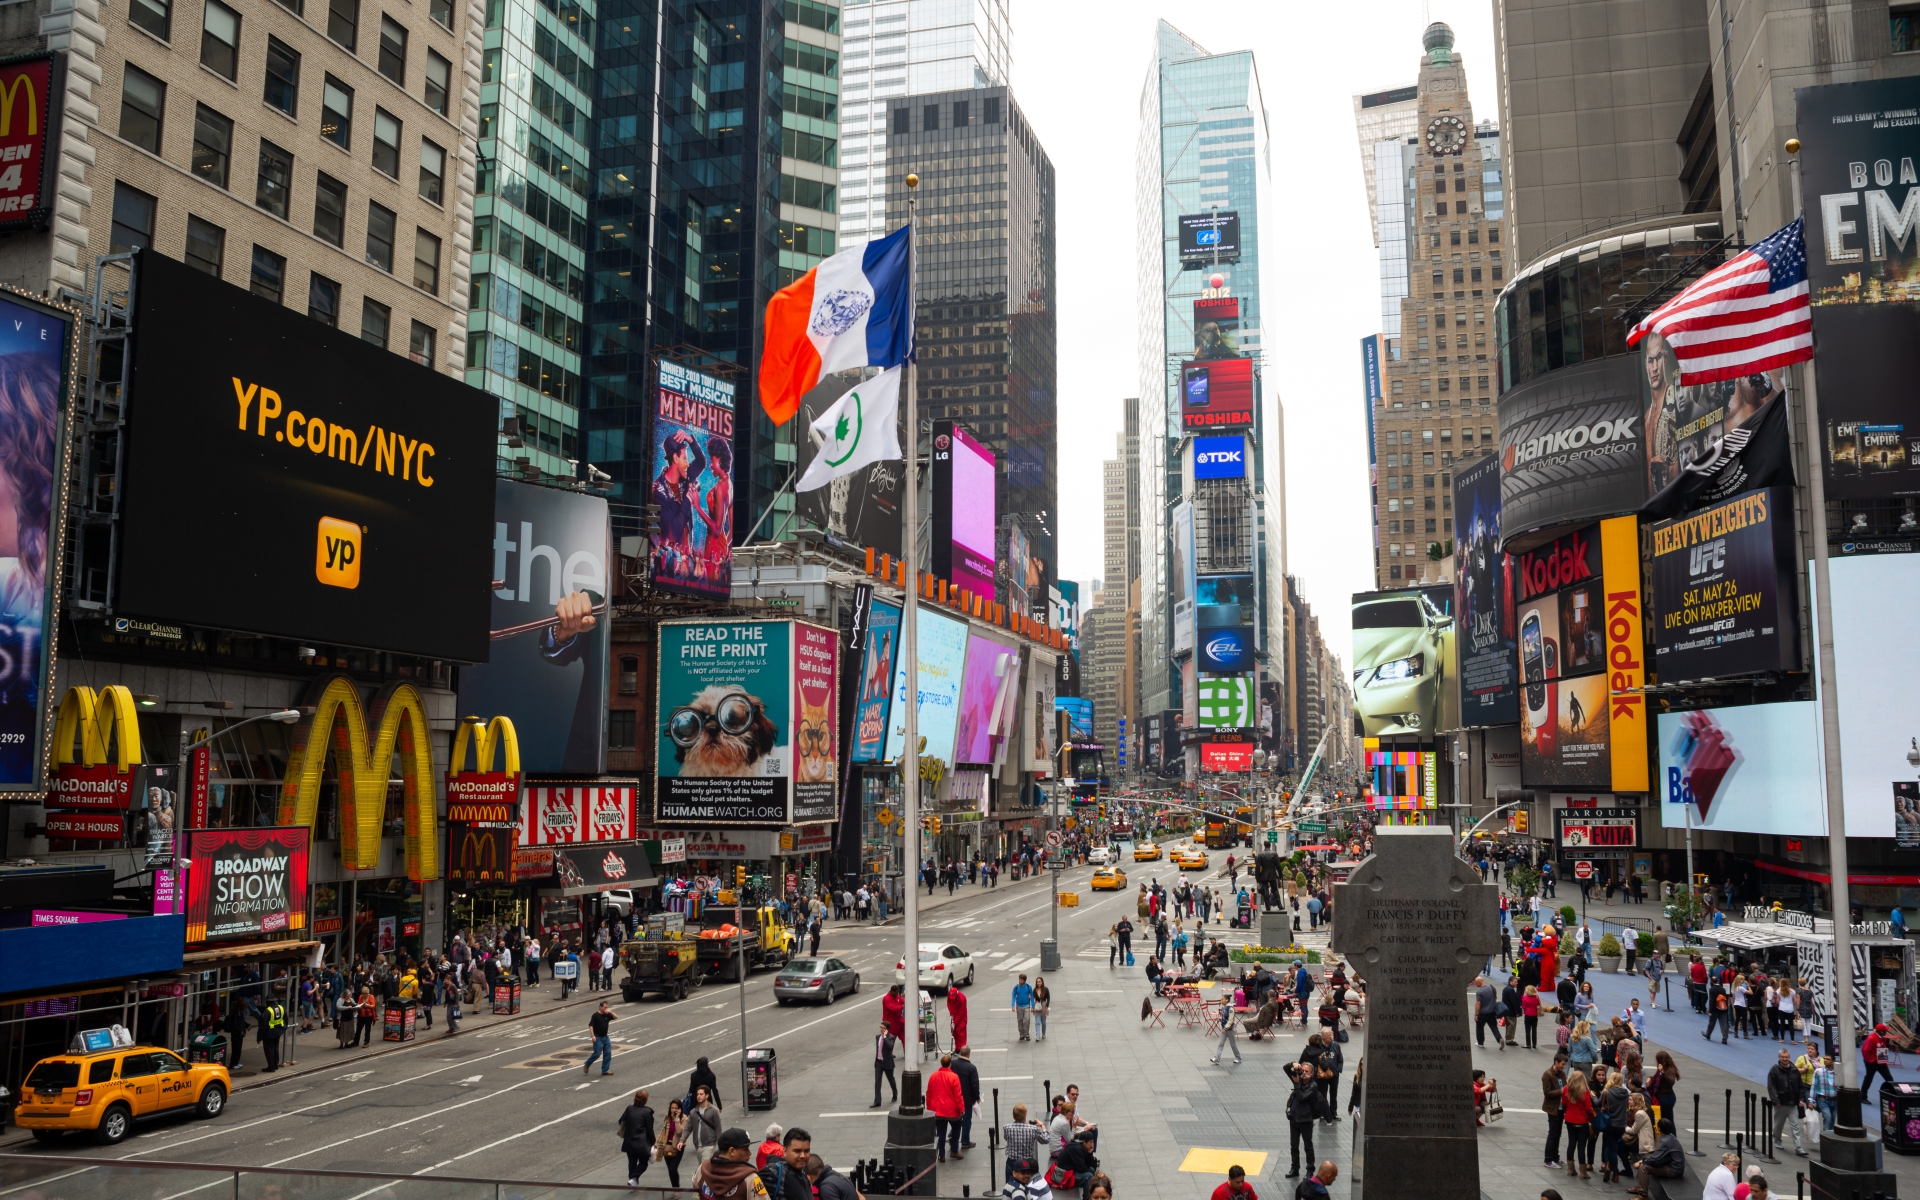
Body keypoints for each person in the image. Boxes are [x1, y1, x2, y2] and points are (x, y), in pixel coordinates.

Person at [694, 1128, 769, 1200]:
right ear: (732, 1151)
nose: (749, 1153)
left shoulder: (703, 1169)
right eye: (745, 1149)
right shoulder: (750, 1178)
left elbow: (695, 1186)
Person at [1766, 1048, 1807, 1156]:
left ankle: (1798, 1147)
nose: (1785, 1059)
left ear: (1789, 1057)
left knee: (1796, 1126)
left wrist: (1801, 1099)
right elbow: (1771, 1086)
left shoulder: (1794, 1070)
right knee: (1779, 1125)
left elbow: (1800, 1086)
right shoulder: (1774, 1070)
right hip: (1781, 1103)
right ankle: (1777, 1140)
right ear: (1779, 1057)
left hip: (1793, 1103)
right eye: (1783, 1057)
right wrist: (1775, 1100)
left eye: (1787, 1057)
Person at [927, 1054, 966, 1162]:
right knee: (956, 1128)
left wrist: (929, 1108)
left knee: (940, 1132)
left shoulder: (933, 1076)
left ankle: (941, 1154)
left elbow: (929, 1094)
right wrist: (961, 1109)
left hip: (937, 1109)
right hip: (952, 1110)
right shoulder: (954, 1077)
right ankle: (954, 1150)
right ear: (950, 1064)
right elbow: (958, 1095)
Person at [1635, 1118, 1687, 1197]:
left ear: (1659, 1128)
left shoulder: (1665, 1141)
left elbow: (1655, 1158)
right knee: (1646, 1163)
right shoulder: (1670, 1136)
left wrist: (1642, 1161)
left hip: (1674, 1170)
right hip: (1673, 1165)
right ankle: (1639, 1187)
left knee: (1644, 1167)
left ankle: (1642, 1194)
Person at [1284, 1061, 1319, 1178]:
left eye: (1306, 1071)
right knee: (1294, 1145)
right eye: (1302, 1071)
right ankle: (1295, 1168)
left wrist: (1297, 1084)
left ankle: (1310, 1170)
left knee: (1308, 1146)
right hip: (1294, 1118)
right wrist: (1293, 1064)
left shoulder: (1313, 1086)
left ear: (1312, 1073)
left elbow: (1302, 1097)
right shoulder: (1297, 1078)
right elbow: (1285, 1068)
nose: (1303, 1073)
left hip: (1305, 1120)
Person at [1001, 1105, 1052, 1181]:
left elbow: (1006, 1138)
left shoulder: (1007, 1128)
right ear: (1025, 1115)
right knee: (1028, 1185)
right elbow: (1045, 1140)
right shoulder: (1033, 1129)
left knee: (1010, 1185)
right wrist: (1043, 1126)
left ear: (1013, 1115)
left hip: (1012, 1162)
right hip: (1027, 1163)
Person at [1563, 1067, 1596, 1181]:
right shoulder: (1585, 1092)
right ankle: (1583, 1172)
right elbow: (1588, 1109)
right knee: (1581, 1147)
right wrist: (1591, 1119)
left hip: (1569, 1120)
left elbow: (1564, 1104)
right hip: (1582, 1122)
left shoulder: (1566, 1089)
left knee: (1571, 1144)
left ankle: (1570, 1169)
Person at [760, 1129, 813, 1200]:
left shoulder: (803, 1173)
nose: (803, 1155)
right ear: (784, 1151)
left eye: (806, 1151)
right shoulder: (774, 1172)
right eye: (797, 1151)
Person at [618, 1089, 656, 1186]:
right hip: (641, 1142)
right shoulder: (647, 1112)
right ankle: (634, 1178)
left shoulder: (629, 1108)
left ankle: (632, 1180)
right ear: (645, 1100)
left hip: (629, 1141)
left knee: (632, 1162)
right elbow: (649, 1129)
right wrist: (653, 1142)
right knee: (643, 1162)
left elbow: (621, 1121)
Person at [1542, 1051, 1569, 1169]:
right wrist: (1561, 1091)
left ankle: (1555, 1157)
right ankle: (1548, 1159)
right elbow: (1547, 1093)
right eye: (1562, 1064)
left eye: (1564, 1065)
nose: (1564, 1067)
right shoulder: (1548, 1074)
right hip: (1552, 1107)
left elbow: (1565, 1086)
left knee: (1558, 1133)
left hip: (1561, 1107)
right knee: (1552, 1133)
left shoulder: (1562, 1074)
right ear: (1556, 1062)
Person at [659, 1099, 690, 1189]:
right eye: (672, 1108)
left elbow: (680, 1131)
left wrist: (677, 1119)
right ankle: (675, 1187)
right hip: (666, 1145)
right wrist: (657, 1143)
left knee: (673, 1168)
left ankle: (676, 1189)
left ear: (680, 1109)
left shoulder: (684, 1118)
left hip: (678, 1146)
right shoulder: (667, 1117)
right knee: (670, 1170)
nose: (674, 1110)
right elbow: (663, 1130)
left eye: (676, 1108)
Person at [688, 1086, 723, 1164]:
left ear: (707, 1096)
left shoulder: (714, 1111)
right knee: (703, 1168)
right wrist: (681, 1141)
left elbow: (718, 1128)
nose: (698, 1096)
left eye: (701, 1094)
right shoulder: (693, 1112)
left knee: (704, 1167)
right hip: (698, 1146)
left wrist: (720, 1144)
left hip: (709, 1145)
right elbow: (688, 1128)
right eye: (697, 1094)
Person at [1862, 1023, 1896, 1099]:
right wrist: (1872, 1060)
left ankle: (1892, 1095)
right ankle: (1863, 1096)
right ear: (1881, 1031)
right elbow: (1865, 1051)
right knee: (1868, 1079)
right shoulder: (1871, 1038)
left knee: (1889, 1079)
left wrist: (1883, 1060)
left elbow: (1882, 1049)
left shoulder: (1882, 1038)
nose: (1886, 1032)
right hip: (1872, 1063)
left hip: (1881, 1062)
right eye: (1885, 1030)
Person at [584, 1001, 617, 1076]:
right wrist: (593, 1036)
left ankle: (605, 1070)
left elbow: (616, 1017)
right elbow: (591, 1026)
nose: (606, 1009)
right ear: (601, 1007)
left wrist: (610, 1011)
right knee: (597, 1054)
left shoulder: (607, 1014)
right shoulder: (595, 1015)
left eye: (607, 1007)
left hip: (605, 1037)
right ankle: (587, 1064)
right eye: (605, 1007)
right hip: (598, 1037)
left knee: (608, 1053)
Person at [259, 991, 287, 1072]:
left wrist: (259, 1037)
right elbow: (286, 1019)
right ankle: (275, 1065)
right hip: (278, 1032)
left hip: (269, 1034)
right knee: (275, 1048)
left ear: (267, 1002)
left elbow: (262, 1026)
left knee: (269, 1050)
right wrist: (283, 1028)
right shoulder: (281, 1008)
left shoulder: (267, 1011)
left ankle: (271, 1067)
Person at [1473, 976, 1503, 1050]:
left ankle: (1480, 1043)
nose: (1475, 984)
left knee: (1479, 1028)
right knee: (1494, 1027)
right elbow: (1495, 998)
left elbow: (1478, 1004)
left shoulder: (1479, 992)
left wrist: (1476, 1014)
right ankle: (1499, 1039)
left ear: (1479, 982)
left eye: (1476, 983)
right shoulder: (1492, 988)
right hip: (1492, 1012)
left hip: (1483, 1013)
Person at [1811, 1053, 1839, 1131]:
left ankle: (1830, 1138)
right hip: (1823, 1100)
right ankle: (1826, 1140)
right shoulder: (1818, 1071)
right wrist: (1812, 1101)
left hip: (1835, 1100)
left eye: (1828, 1059)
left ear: (1833, 1061)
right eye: (1824, 1059)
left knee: (1833, 1120)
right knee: (1828, 1118)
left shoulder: (1838, 1072)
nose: (1825, 1060)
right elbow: (1814, 1086)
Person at [1013, 974, 1036, 1042]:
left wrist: (1032, 1006)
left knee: (1027, 1020)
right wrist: (1013, 1005)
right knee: (1020, 1020)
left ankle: (1027, 1034)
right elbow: (1013, 996)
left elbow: (1031, 996)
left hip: (1027, 1006)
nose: (1020, 981)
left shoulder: (1028, 987)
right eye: (1019, 979)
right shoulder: (1016, 987)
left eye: (1021, 980)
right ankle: (1021, 1034)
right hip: (1019, 1006)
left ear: (1025, 980)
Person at [1523, 985, 1542, 1049]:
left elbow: (1524, 1006)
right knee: (1534, 1029)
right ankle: (1534, 1044)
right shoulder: (1537, 997)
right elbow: (1539, 1004)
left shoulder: (1525, 997)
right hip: (1534, 1014)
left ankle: (1528, 1044)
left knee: (1527, 1029)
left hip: (1528, 1014)